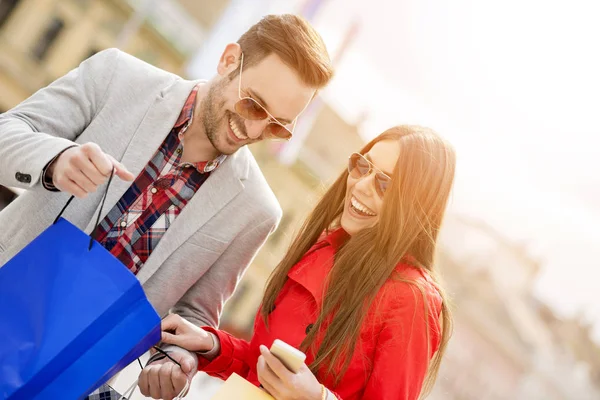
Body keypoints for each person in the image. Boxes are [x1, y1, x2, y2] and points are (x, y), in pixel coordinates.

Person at [0, 14, 333, 399]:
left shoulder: (256, 210)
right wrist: (57, 159)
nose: (255, 131)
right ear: (228, 60)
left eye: (278, 127)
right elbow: (7, 132)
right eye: (254, 105)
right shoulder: (116, 76)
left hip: (71, 376)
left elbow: (195, 317)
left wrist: (178, 360)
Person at [142, 125, 456, 400]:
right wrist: (210, 342)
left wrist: (316, 397)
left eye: (385, 184)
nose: (360, 186)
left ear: (416, 207)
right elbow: (263, 368)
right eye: (363, 167)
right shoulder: (323, 249)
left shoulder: (412, 299)